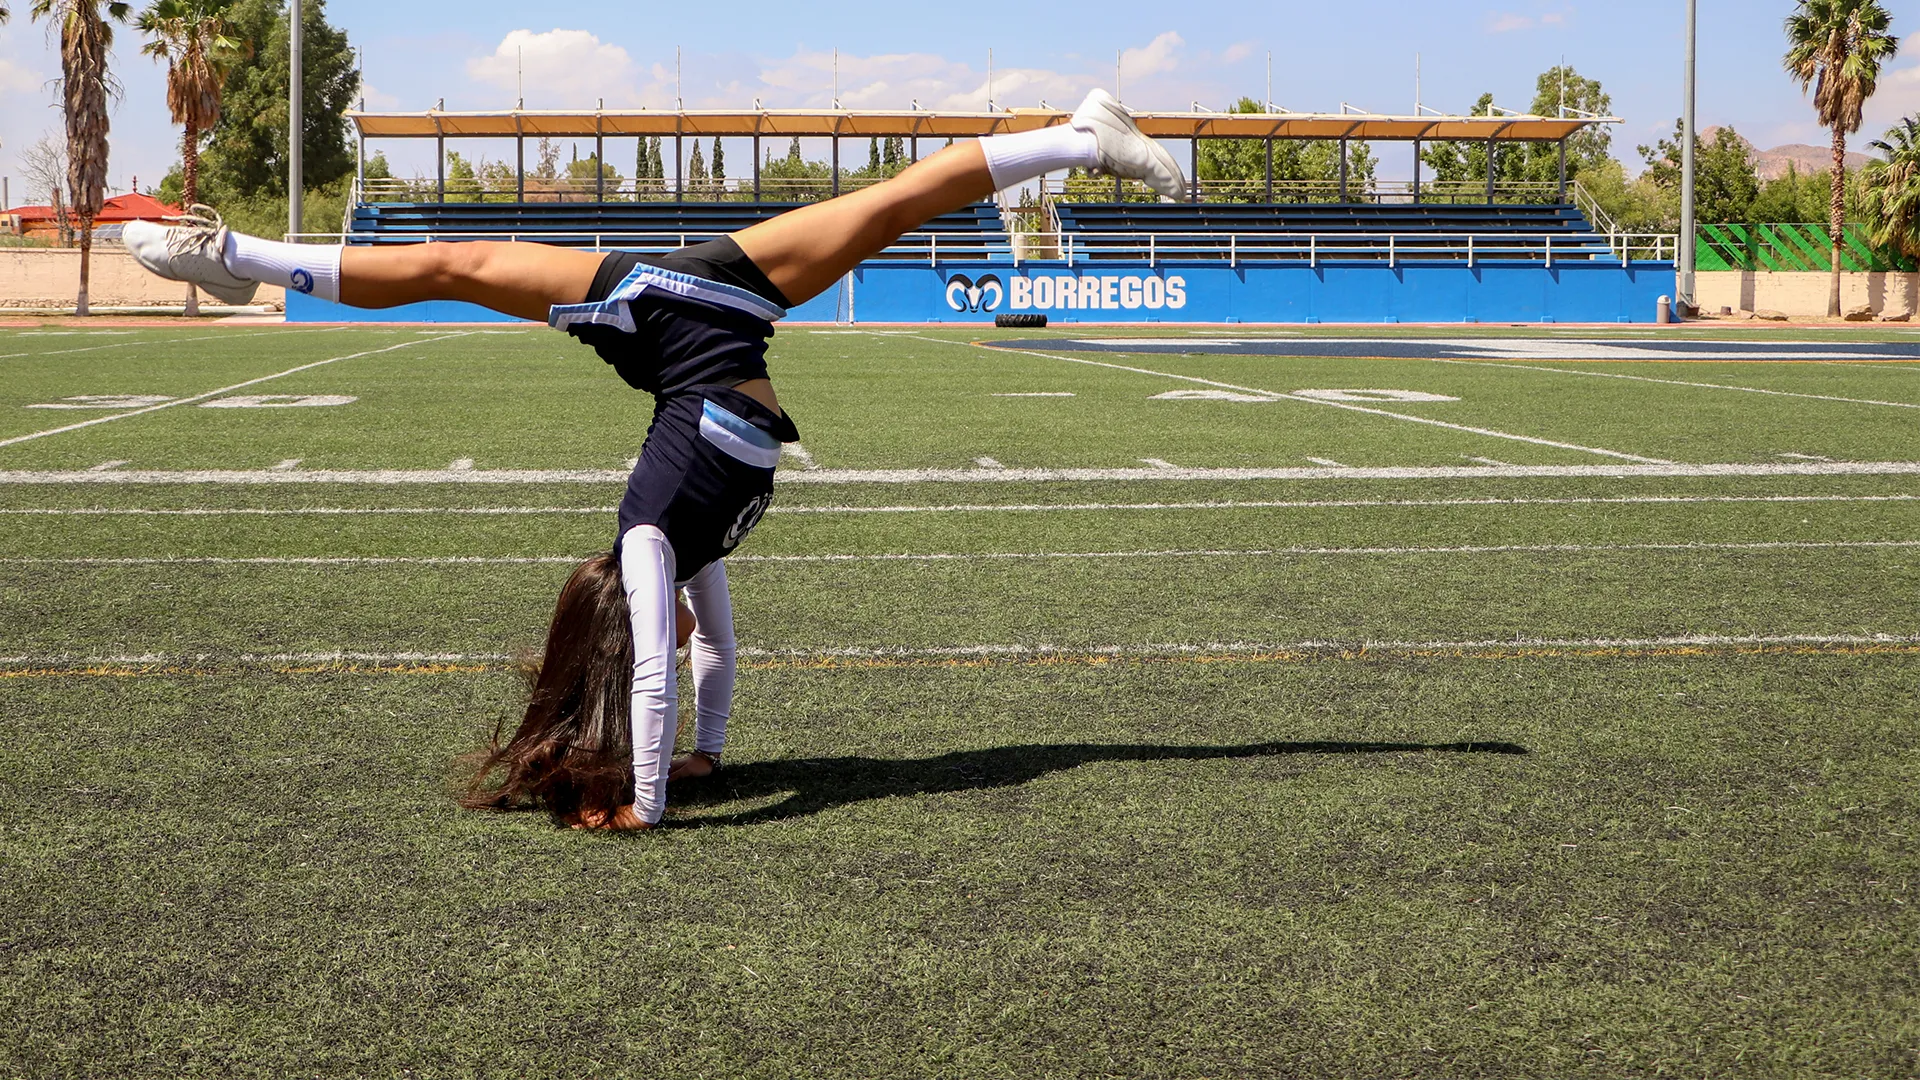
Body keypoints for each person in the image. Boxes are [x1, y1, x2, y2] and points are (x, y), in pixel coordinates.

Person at [124, 89, 1187, 831]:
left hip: (673, 324)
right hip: (703, 337)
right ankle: (1079, 136)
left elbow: (666, 664)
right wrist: (695, 763)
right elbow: (703, 659)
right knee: (890, 206)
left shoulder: (653, 532)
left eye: (654, 628)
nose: (676, 634)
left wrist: (652, 798)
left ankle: (237, 259)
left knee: (454, 264)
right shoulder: (675, 542)